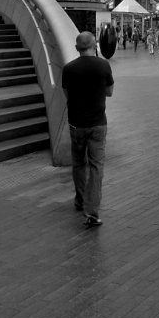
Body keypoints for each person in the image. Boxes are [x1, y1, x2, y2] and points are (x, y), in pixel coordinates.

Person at [61, 31, 114, 228]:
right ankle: (92, 211)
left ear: (77, 48)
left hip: (76, 123)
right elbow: (109, 91)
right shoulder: (103, 65)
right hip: (98, 123)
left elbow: (66, 93)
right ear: (95, 45)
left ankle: (80, 200)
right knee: (96, 166)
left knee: (78, 163)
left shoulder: (69, 68)